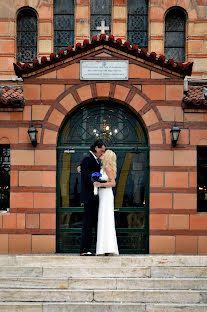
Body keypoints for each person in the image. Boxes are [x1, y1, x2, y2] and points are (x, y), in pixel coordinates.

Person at [80, 139, 106, 256]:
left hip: (93, 197)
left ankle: (92, 248)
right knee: (88, 224)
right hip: (89, 197)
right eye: (102, 150)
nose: (102, 153)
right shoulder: (88, 158)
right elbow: (87, 177)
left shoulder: (93, 160)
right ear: (96, 148)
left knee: (92, 223)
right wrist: (96, 182)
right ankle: (85, 249)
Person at [94, 149, 119, 256]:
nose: (102, 154)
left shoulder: (107, 168)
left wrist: (100, 185)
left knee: (106, 220)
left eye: (104, 153)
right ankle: (105, 248)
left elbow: (113, 183)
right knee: (103, 220)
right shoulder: (103, 167)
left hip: (107, 195)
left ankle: (107, 248)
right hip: (103, 195)